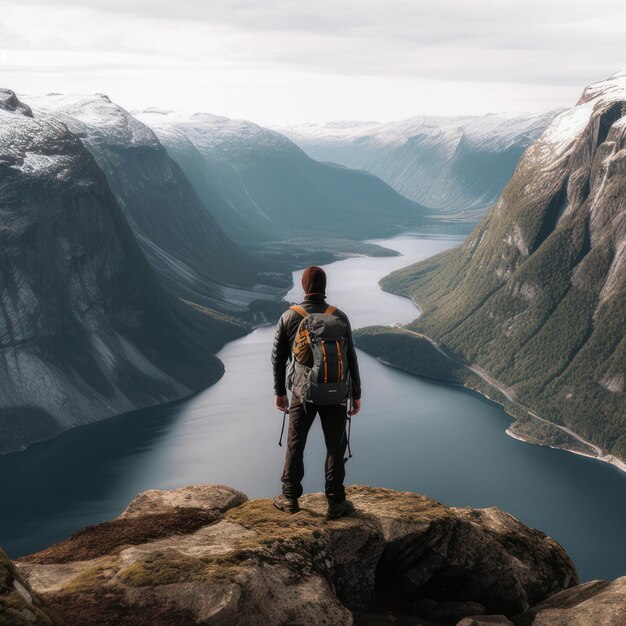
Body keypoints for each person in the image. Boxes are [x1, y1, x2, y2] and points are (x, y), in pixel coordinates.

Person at [271, 265, 361, 518]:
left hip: (302, 392)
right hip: (336, 391)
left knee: (296, 443)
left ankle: (289, 497)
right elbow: (351, 358)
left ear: (304, 286)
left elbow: (278, 358)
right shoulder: (339, 317)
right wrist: (355, 394)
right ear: (323, 287)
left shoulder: (289, 316)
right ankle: (335, 500)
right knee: (336, 445)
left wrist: (280, 392)